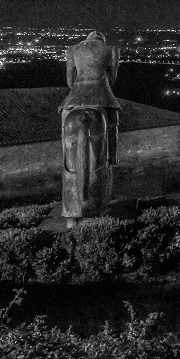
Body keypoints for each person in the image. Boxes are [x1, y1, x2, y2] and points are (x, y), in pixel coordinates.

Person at [60, 31, 121, 224]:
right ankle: (113, 155)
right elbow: (112, 78)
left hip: (73, 100)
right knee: (112, 123)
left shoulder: (72, 49)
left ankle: (70, 213)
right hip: (102, 97)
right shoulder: (111, 49)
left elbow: (70, 81)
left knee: (66, 146)